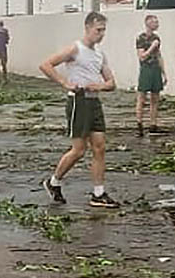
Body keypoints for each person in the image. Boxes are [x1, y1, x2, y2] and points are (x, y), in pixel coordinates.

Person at [38, 12, 118, 208]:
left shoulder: (100, 54)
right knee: (79, 150)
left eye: (104, 30)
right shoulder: (75, 49)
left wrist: (98, 86)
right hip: (78, 102)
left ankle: (98, 194)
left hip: (94, 102)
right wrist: (64, 82)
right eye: (98, 30)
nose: (101, 34)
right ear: (88, 28)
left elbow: (111, 83)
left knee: (99, 147)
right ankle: (53, 182)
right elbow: (46, 65)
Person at [135, 15, 167, 137]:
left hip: (155, 69)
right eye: (154, 22)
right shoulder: (141, 38)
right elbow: (142, 56)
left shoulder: (156, 37)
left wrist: (164, 72)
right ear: (148, 23)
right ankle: (139, 124)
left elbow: (159, 55)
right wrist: (152, 46)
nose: (157, 24)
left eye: (157, 22)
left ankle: (153, 124)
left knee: (155, 98)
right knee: (141, 97)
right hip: (146, 68)